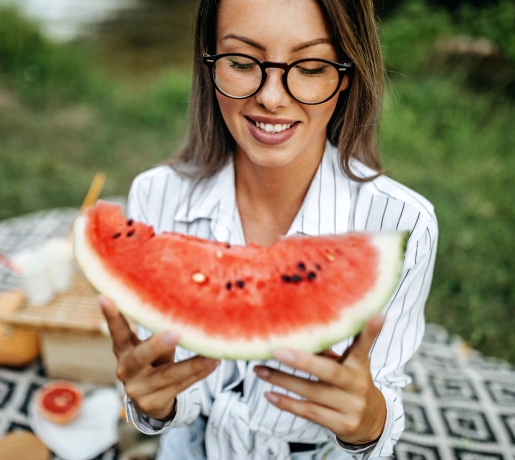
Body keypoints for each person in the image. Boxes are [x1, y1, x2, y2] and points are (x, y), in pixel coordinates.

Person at [99, 0, 438, 458]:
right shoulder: (155, 198)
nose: (272, 97)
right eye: (241, 62)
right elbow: (162, 377)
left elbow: (383, 390)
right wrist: (154, 405)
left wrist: (369, 422)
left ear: (347, 75)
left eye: (312, 66)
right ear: (209, 64)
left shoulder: (401, 226)